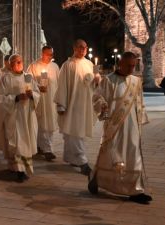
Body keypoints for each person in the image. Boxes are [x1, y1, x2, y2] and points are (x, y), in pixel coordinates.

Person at [89, 52, 151, 204]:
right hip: (114, 126)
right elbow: (97, 97)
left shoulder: (136, 81)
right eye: (129, 65)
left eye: (134, 65)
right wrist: (102, 106)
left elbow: (139, 102)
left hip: (133, 127)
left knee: (133, 154)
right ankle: (97, 180)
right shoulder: (108, 80)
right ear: (120, 63)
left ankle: (135, 190)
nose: (132, 68)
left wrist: (141, 119)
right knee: (110, 155)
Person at [54, 39, 100, 175]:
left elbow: (93, 85)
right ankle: (82, 161)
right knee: (75, 132)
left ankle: (70, 157)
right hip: (72, 105)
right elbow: (62, 86)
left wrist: (97, 80)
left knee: (72, 132)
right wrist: (61, 105)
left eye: (85, 47)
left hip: (86, 104)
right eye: (80, 47)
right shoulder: (67, 65)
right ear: (74, 48)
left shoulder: (90, 64)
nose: (83, 49)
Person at [0, 54, 40, 182]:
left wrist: (32, 95)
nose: (18, 64)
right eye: (15, 62)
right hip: (14, 116)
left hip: (27, 116)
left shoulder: (29, 77)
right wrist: (15, 98)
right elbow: (0, 98)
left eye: (20, 62)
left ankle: (20, 167)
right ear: (10, 64)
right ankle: (20, 170)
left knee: (25, 142)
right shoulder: (6, 78)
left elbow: (37, 93)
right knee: (17, 143)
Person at [27, 46, 59, 161]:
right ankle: (46, 149)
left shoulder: (55, 67)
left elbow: (58, 84)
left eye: (51, 54)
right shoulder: (33, 66)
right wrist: (38, 87)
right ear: (42, 53)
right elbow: (28, 81)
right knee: (41, 124)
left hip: (51, 100)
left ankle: (43, 147)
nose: (49, 57)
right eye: (47, 54)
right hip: (39, 100)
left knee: (49, 124)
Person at [0, 54, 11, 153]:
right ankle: (2, 145)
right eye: (9, 62)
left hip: (13, 103)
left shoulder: (15, 73)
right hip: (2, 103)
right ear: (5, 62)